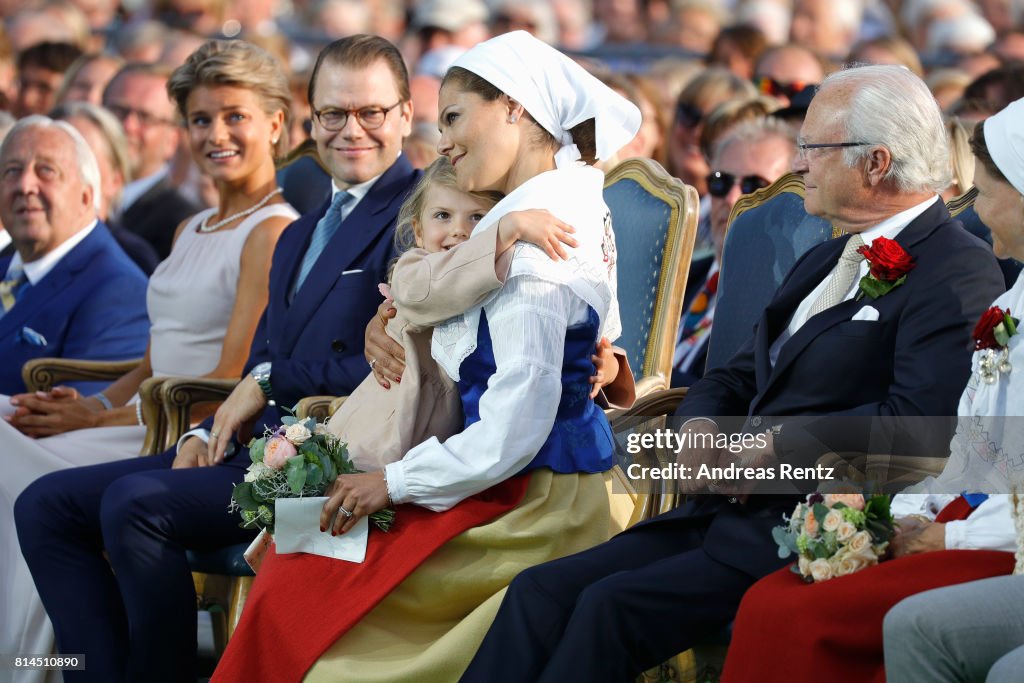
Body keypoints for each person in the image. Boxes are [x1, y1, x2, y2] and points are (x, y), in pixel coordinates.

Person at [459, 64, 1006, 683]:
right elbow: (737, 374)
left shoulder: (956, 272)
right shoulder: (826, 256)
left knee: (606, 610)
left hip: (806, 525)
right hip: (715, 510)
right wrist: (698, 435)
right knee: (538, 592)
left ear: (875, 163)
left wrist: (759, 457)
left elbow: (917, 432)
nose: (799, 163)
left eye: (813, 147)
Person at [211, 30, 640, 683]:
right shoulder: (550, 207)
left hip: (533, 502)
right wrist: (387, 325)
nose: (442, 142)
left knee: (313, 577)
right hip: (497, 475)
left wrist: (393, 481)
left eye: (453, 117)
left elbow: (513, 430)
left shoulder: (534, 243)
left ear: (515, 109)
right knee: (305, 548)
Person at [14, 34, 420, 683]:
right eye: (334, 113)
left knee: (133, 502)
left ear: (404, 114)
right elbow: (261, 358)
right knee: (43, 505)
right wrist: (205, 429)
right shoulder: (298, 233)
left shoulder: (420, 218)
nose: (352, 130)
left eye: (371, 112)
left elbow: (398, 375)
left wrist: (267, 383)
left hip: (334, 462)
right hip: (248, 448)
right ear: (311, 120)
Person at [1, 39, 297, 682]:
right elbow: (154, 358)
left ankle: (31, 665)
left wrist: (100, 422)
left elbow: (226, 379)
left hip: (184, 433)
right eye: (199, 119)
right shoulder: (192, 226)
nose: (215, 134)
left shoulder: (272, 231)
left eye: (233, 116)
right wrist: (92, 405)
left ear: (276, 122)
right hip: (138, 416)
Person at [882, 96, 1024, 683]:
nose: (973, 208)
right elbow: (972, 458)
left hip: (1004, 549)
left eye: (986, 192)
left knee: (907, 621)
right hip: (980, 528)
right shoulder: (1008, 305)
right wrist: (895, 515)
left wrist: (953, 534)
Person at [0, 117, 148, 398]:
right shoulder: (7, 269)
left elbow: (80, 419)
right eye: (12, 170)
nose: (25, 185)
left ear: (86, 196)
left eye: (46, 171)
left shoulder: (118, 290)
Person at [672, 115, 796, 388]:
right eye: (721, 181)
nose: (732, 199)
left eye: (755, 186)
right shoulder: (673, 278)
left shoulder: (788, 302)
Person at [102, 63, 199, 260]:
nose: (128, 126)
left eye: (145, 117)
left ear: (172, 139)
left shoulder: (179, 225)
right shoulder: (67, 196)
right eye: (119, 110)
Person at [50, 101, 160, 274]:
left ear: (116, 180)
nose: (61, 168)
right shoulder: (16, 251)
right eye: (49, 160)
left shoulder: (130, 257)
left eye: (80, 157)